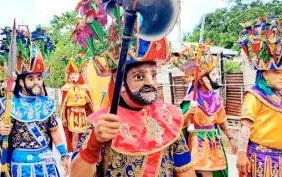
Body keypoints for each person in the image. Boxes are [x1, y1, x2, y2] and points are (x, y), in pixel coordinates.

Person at [69, 2, 195, 174]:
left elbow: (185, 170)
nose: (150, 82)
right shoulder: (101, 124)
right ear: (119, 81)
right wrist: (93, 145)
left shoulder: (169, 117)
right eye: (139, 76)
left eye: (154, 74)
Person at [0, 26, 71, 177]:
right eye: (31, 78)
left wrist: (64, 155)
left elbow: (54, 131)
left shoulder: (47, 103)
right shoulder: (9, 104)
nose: (36, 82)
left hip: (46, 162)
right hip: (21, 164)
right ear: (21, 82)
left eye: (39, 78)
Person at [236, 16, 282, 177]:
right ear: (265, 74)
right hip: (263, 160)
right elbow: (245, 126)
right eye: (277, 72)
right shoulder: (254, 95)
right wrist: (241, 153)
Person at [173, 44, 237, 177]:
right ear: (202, 79)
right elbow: (181, 125)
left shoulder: (217, 99)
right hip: (198, 141)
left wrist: (231, 138)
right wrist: (189, 111)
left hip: (214, 141)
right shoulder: (191, 99)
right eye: (213, 75)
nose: (217, 78)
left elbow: (222, 122)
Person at [61, 55, 94, 152]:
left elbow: (89, 104)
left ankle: (82, 153)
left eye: (75, 74)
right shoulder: (66, 88)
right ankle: (74, 153)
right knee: (74, 135)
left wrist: (93, 116)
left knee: (83, 135)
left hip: (82, 115)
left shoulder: (85, 87)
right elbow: (63, 105)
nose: (72, 76)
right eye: (71, 74)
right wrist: (63, 118)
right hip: (72, 114)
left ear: (79, 74)